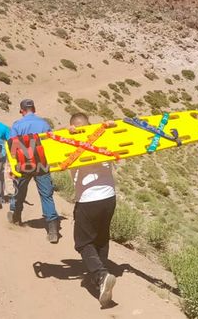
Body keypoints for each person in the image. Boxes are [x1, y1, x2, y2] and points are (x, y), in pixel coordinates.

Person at [67, 112, 117, 307]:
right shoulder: (104, 141)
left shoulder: (70, 143)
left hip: (88, 199)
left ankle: (101, 275)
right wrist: (108, 127)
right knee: (101, 239)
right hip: (109, 198)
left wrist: (72, 135)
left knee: (83, 243)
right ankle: (100, 282)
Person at [6, 99, 61, 244]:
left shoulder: (17, 125)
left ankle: (15, 216)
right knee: (46, 196)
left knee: (19, 191)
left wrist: (11, 167)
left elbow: (12, 148)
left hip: (23, 165)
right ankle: (53, 231)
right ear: (34, 109)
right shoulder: (44, 124)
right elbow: (51, 144)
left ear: (21, 111)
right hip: (41, 164)